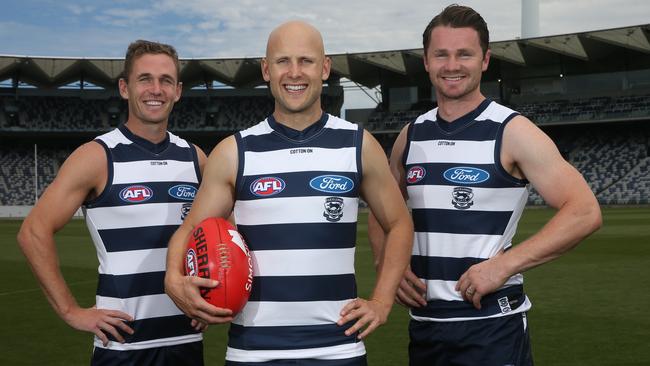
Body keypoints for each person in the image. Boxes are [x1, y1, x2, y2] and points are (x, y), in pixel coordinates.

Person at [164, 20, 413, 365]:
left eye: (306, 61)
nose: (294, 73)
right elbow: (191, 230)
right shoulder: (234, 152)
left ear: (324, 68)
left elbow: (399, 223)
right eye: (282, 61)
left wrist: (383, 301)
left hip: (338, 349)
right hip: (253, 351)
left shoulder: (358, 144)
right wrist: (173, 279)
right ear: (266, 70)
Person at [367, 4, 602, 366]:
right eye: (441, 55)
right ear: (427, 61)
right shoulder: (410, 136)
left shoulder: (512, 131)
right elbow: (383, 210)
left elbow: (584, 211)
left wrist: (503, 266)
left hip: (491, 326)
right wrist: (387, 265)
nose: (452, 65)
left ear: (485, 59)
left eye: (465, 54)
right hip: (426, 326)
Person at [17, 40, 207, 365]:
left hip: (186, 342)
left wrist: (212, 294)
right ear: (124, 87)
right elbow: (33, 232)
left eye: (165, 81)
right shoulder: (97, 157)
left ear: (178, 90)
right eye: (144, 78)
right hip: (122, 348)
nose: (155, 89)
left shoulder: (196, 159)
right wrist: (71, 311)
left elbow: (223, 234)